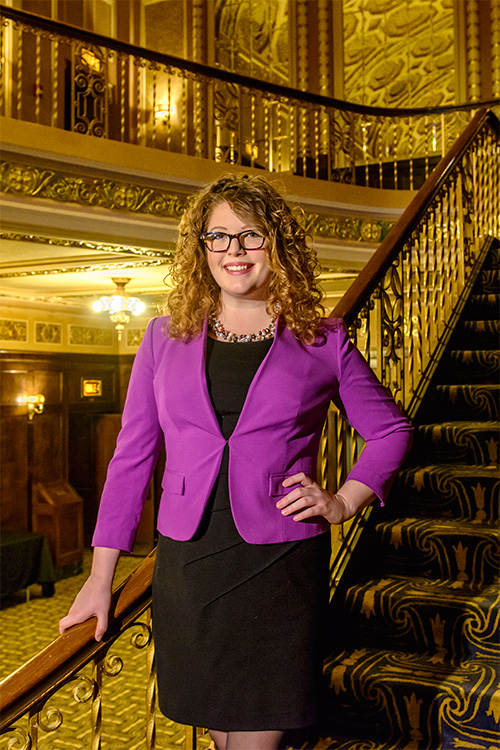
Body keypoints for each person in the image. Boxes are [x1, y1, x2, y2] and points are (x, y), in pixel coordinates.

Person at [59, 174, 413, 750]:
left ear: (276, 243)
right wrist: (101, 579)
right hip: (191, 562)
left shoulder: (323, 340)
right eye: (218, 237)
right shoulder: (162, 338)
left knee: (258, 736)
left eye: (249, 235)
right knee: (223, 733)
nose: (234, 251)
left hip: (278, 562)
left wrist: (345, 499)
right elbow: (131, 459)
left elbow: (391, 431)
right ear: (201, 250)